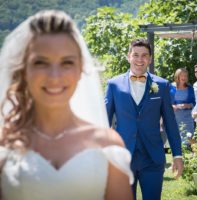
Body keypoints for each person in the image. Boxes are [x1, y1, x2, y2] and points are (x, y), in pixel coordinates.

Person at [0, 10, 133, 200]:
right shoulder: (4, 143)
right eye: (40, 62)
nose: (55, 77)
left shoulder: (107, 144)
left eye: (67, 63)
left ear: (81, 69)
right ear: (23, 70)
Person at [105, 38, 183, 200]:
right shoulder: (113, 85)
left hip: (152, 158)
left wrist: (177, 155)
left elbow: (170, 122)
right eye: (136, 55)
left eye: (144, 55)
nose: (140, 59)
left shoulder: (162, 85)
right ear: (129, 57)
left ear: (150, 59)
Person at [170, 68, 196, 146]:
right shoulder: (171, 87)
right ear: (177, 76)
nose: (184, 77)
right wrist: (172, 106)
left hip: (187, 116)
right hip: (175, 116)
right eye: (182, 75)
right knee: (176, 138)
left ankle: (191, 155)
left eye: (185, 76)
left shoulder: (190, 88)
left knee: (189, 137)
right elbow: (166, 101)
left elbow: (194, 102)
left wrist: (189, 105)